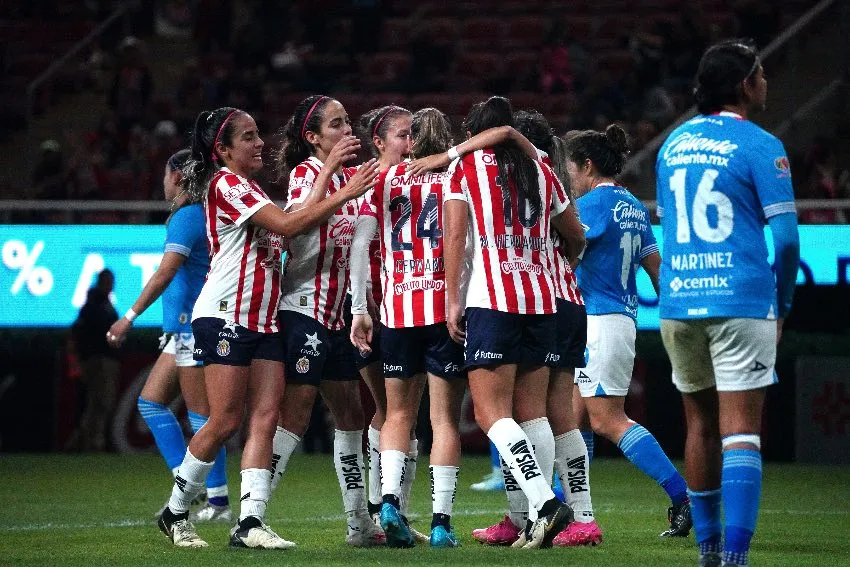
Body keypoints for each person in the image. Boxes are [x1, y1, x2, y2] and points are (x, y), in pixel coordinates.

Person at [156, 106, 378, 549]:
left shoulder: (252, 188)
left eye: (259, 135)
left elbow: (293, 233)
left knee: (265, 417)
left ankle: (250, 522)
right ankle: (175, 510)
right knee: (224, 420)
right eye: (249, 137)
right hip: (225, 313)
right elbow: (289, 224)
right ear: (222, 149)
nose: (260, 143)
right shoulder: (226, 184)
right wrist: (341, 183)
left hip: (264, 317)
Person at [655, 40, 799, 567]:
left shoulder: (672, 144)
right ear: (745, 84)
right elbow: (784, 240)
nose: (766, 82)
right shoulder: (762, 145)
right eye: (761, 73)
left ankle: (708, 551)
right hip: (739, 297)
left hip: (678, 300)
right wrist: (782, 304)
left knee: (699, 426)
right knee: (741, 430)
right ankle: (734, 559)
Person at [442, 96, 584, 549]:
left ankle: (543, 504)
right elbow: (576, 235)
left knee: (490, 413)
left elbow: (455, 234)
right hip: (541, 298)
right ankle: (530, 522)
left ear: (475, 132)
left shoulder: (466, 166)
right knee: (533, 413)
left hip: (492, 298)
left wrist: (452, 300)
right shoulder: (542, 165)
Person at [267, 95, 385, 548]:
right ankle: (254, 515)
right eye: (335, 125)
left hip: (337, 318)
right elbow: (295, 225)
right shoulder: (305, 175)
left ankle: (359, 525)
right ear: (313, 138)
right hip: (302, 309)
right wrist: (336, 182)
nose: (346, 130)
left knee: (352, 416)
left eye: (347, 122)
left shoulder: (353, 181)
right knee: (294, 418)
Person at [565, 124, 692, 539]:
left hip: (598, 321)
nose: (567, 176)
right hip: (618, 320)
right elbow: (657, 272)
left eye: (569, 167)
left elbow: (569, 248)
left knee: (608, 420)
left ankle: (682, 495)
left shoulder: (592, 204)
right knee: (572, 418)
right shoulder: (634, 206)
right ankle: (567, 510)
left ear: (586, 165)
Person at [350, 107, 467, 548]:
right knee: (443, 421)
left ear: (414, 141)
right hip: (443, 311)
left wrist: (360, 307)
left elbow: (361, 246)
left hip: (397, 312)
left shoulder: (382, 179)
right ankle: (441, 522)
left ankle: (390, 505)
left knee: (397, 414)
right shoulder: (457, 175)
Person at [106, 149, 231, 523]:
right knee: (152, 404)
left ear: (176, 177)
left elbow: (164, 274)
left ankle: (214, 502)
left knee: (202, 418)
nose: (163, 182)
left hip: (192, 325)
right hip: (184, 326)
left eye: (165, 175)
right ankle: (193, 490)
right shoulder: (199, 214)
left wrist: (128, 317)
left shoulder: (187, 216)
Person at [351, 105, 420, 533]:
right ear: (379, 143)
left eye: (414, 134)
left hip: (404, 307)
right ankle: (380, 511)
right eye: (402, 135)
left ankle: (387, 513)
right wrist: (361, 306)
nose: (410, 143)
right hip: (378, 309)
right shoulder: (375, 179)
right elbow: (360, 246)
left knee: (398, 413)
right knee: (391, 410)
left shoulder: (414, 176)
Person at [68, 269, 120, 452]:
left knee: (98, 403)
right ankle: (90, 442)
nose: (111, 285)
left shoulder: (104, 304)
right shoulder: (94, 306)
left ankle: (84, 441)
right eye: (108, 281)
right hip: (98, 361)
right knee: (99, 402)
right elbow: (82, 334)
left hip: (103, 359)